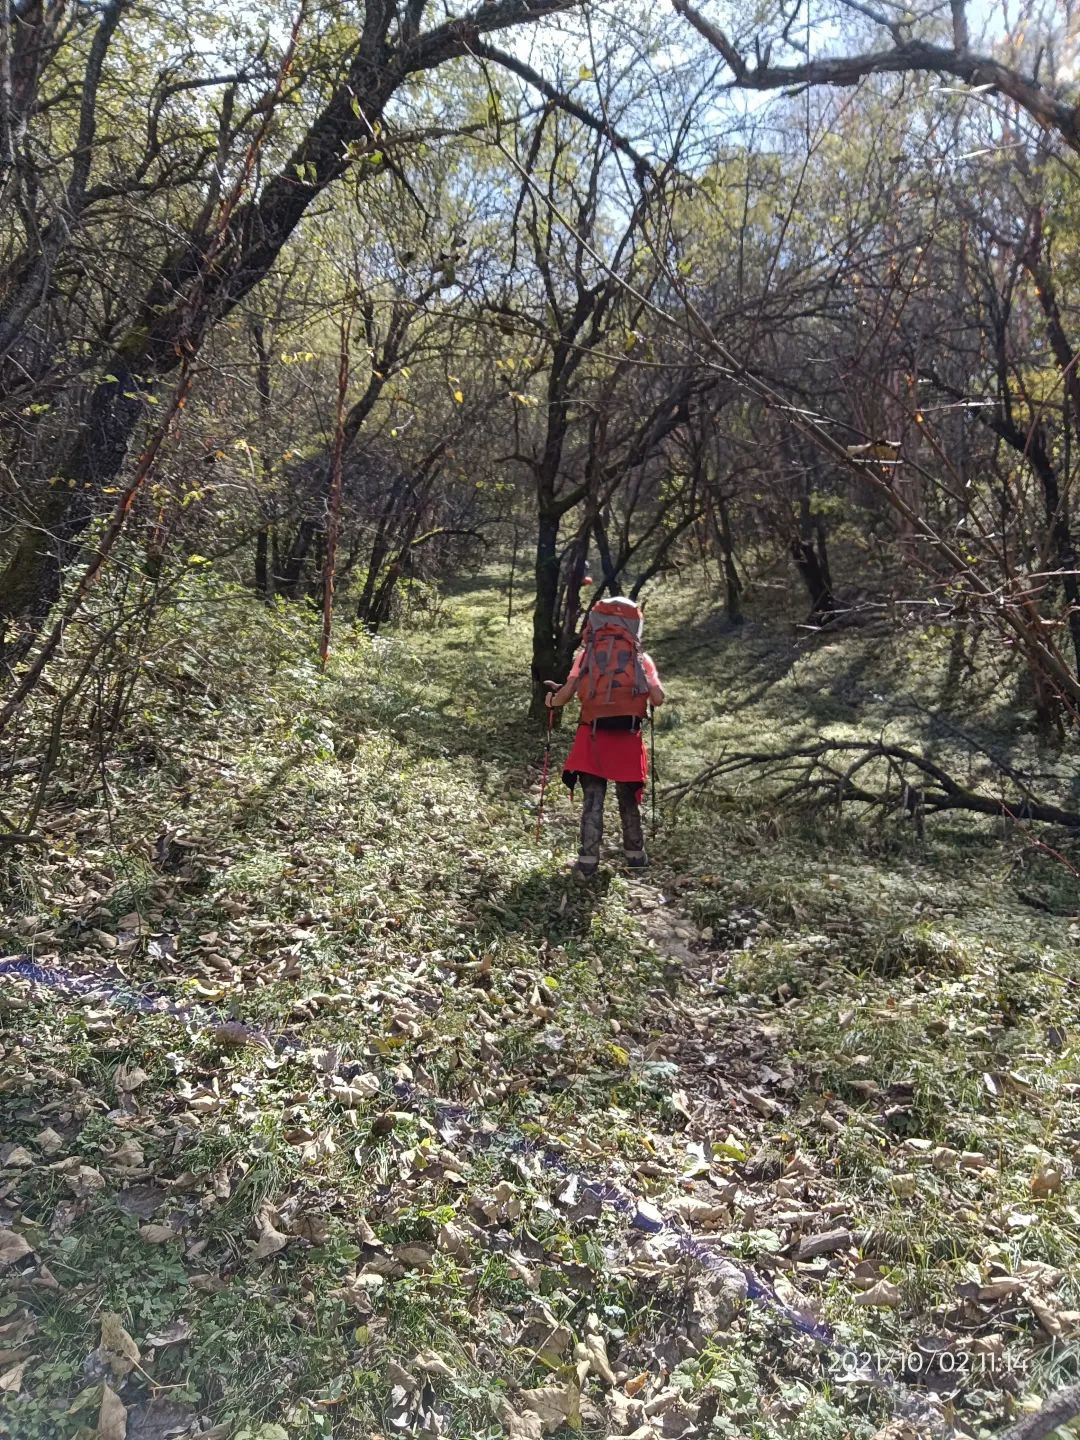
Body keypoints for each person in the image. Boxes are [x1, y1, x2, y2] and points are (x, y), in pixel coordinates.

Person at [545, 596, 665, 875]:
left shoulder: (586, 657)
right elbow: (657, 699)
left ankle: (587, 862)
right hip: (628, 736)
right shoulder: (641, 659)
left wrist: (550, 702)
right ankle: (636, 859)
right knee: (628, 798)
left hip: (592, 736)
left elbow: (564, 697)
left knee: (593, 799)